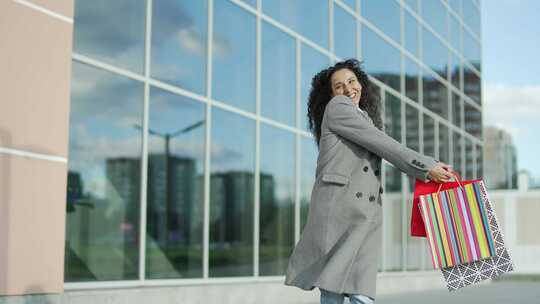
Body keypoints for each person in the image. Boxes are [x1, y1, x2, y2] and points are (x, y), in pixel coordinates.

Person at [284, 59, 458, 304]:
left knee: (346, 288)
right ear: (331, 94)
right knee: (345, 289)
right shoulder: (338, 107)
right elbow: (383, 143)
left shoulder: (362, 116)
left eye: (352, 81)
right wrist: (426, 166)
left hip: (362, 213)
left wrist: (431, 167)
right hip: (341, 210)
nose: (347, 89)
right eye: (339, 86)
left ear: (361, 84)